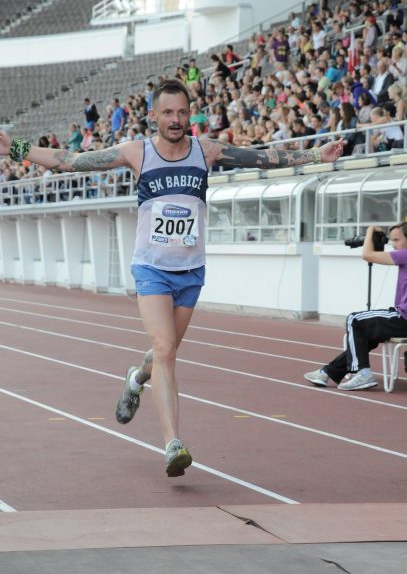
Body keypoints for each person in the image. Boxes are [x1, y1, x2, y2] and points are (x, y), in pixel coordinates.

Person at [0, 79, 343, 477]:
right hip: (151, 269)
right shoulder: (137, 152)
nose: (175, 120)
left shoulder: (205, 150)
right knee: (164, 349)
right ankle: (172, 444)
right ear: (153, 116)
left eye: (182, 112)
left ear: (189, 114)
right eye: (167, 113)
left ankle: (136, 378)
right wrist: (17, 149)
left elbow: (259, 158)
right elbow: (71, 160)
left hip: (191, 272)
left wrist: (316, 153)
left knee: (163, 354)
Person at [304, 223, 407, 391]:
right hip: (401, 317)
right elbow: (377, 254)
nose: (393, 244)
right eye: (391, 240)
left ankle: (364, 374)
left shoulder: (406, 255)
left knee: (354, 319)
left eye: (397, 240)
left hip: (403, 318)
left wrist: (370, 231)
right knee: (366, 335)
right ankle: (327, 372)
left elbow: (368, 255)